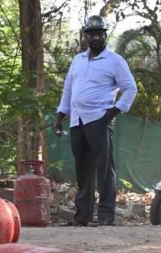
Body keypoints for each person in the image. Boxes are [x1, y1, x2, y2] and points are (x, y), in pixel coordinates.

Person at [54, 16, 137, 227]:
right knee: (83, 169)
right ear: (86, 36)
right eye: (91, 34)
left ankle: (106, 215)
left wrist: (113, 112)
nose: (96, 37)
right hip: (77, 120)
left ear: (105, 35)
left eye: (99, 33)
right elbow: (68, 90)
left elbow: (130, 88)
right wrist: (60, 115)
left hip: (99, 118)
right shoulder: (78, 60)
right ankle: (82, 216)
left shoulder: (115, 60)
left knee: (105, 168)